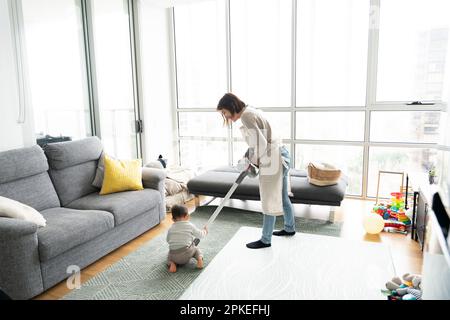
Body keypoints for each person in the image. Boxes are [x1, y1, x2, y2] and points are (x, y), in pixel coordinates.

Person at [217, 93, 295, 249]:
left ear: (232, 107)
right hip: (281, 154)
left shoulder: (247, 116)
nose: (225, 117)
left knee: (269, 199)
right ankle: (289, 228)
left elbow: (261, 146)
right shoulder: (251, 111)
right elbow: (258, 142)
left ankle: (265, 240)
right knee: (281, 195)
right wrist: (248, 156)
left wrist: (249, 163)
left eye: (224, 112)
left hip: (273, 158)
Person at [166, 205, 208, 272]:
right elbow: (200, 235)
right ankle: (199, 260)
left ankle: (172, 263)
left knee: (169, 255)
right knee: (196, 249)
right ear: (187, 216)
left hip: (174, 256)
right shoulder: (190, 225)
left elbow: (168, 240)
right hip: (187, 254)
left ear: (173, 219)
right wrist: (205, 231)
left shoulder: (170, 229)